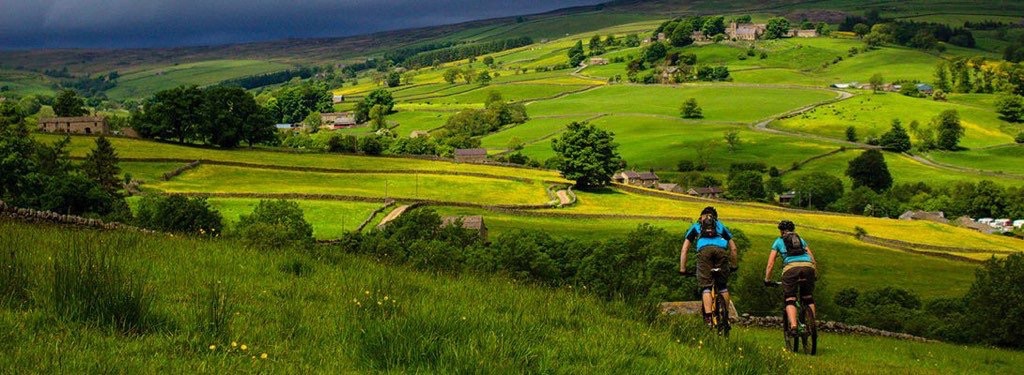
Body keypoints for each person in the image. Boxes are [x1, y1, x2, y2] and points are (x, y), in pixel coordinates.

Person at [680, 206, 738, 327]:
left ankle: (708, 319)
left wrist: (683, 269)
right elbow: (733, 248)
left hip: (704, 253)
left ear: (701, 216)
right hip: (721, 252)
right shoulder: (720, 225)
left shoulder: (697, 226)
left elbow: (684, 249)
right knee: (722, 286)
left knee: (706, 287)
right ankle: (726, 316)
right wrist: (733, 265)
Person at [763, 220, 817, 333]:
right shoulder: (801, 240)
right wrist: (814, 274)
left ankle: (793, 326)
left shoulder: (778, 241)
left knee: (790, 298)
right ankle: (812, 324)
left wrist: (767, 279)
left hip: (791, 269)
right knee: (808, 297)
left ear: (781, 231)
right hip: (808, 268)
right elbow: (812, 259)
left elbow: (770, 263)